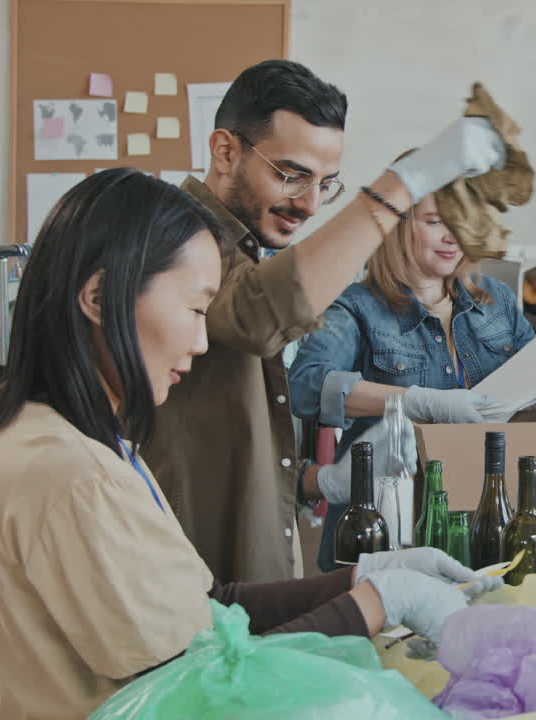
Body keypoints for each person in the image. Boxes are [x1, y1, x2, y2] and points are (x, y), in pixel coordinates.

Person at [0, 170, 496, 719]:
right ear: (100, 297)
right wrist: (381, 603)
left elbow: (212, 609)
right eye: (197, 309)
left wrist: (364, 579)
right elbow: (200, 688)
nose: (200, 342)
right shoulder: (76, 475)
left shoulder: (85, 440)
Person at [141, 60, 507, 583]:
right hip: (189, 563)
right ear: (225, 151)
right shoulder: (173, 234)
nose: (309, 204)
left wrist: (323, 482)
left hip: (252, 557)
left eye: (325, 184)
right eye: (291, 176)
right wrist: (404, 185)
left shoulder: (247, 251)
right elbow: (256, 316)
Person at [288, 164, 536, 570]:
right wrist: (416, 402)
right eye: (434, 221)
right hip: (391, 529)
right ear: (399, 223)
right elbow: (306, 386)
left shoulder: (494, 300)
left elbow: (531, 397)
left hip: (484, 518)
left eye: (462, 222)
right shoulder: (356, 306)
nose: (453, 236)